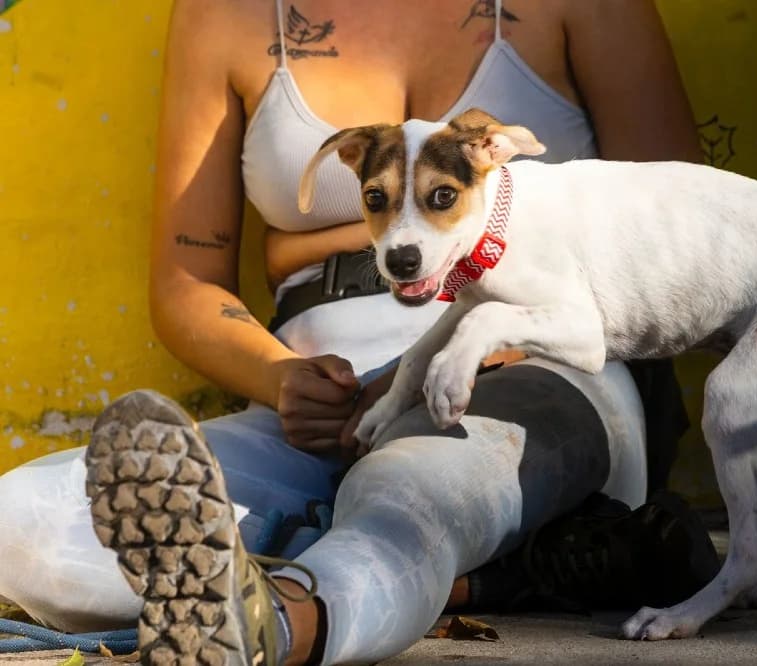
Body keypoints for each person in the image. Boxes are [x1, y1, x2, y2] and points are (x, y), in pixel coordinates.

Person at [0, 1, 716, 663]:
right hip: (321, 407)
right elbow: (186, 282)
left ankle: (280, 624)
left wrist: (312, 246)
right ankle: (508, 570)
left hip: (540, 365)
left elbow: (684, 239)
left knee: (408, 493)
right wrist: (281, 380)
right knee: (22, 527)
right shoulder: (226, 13)